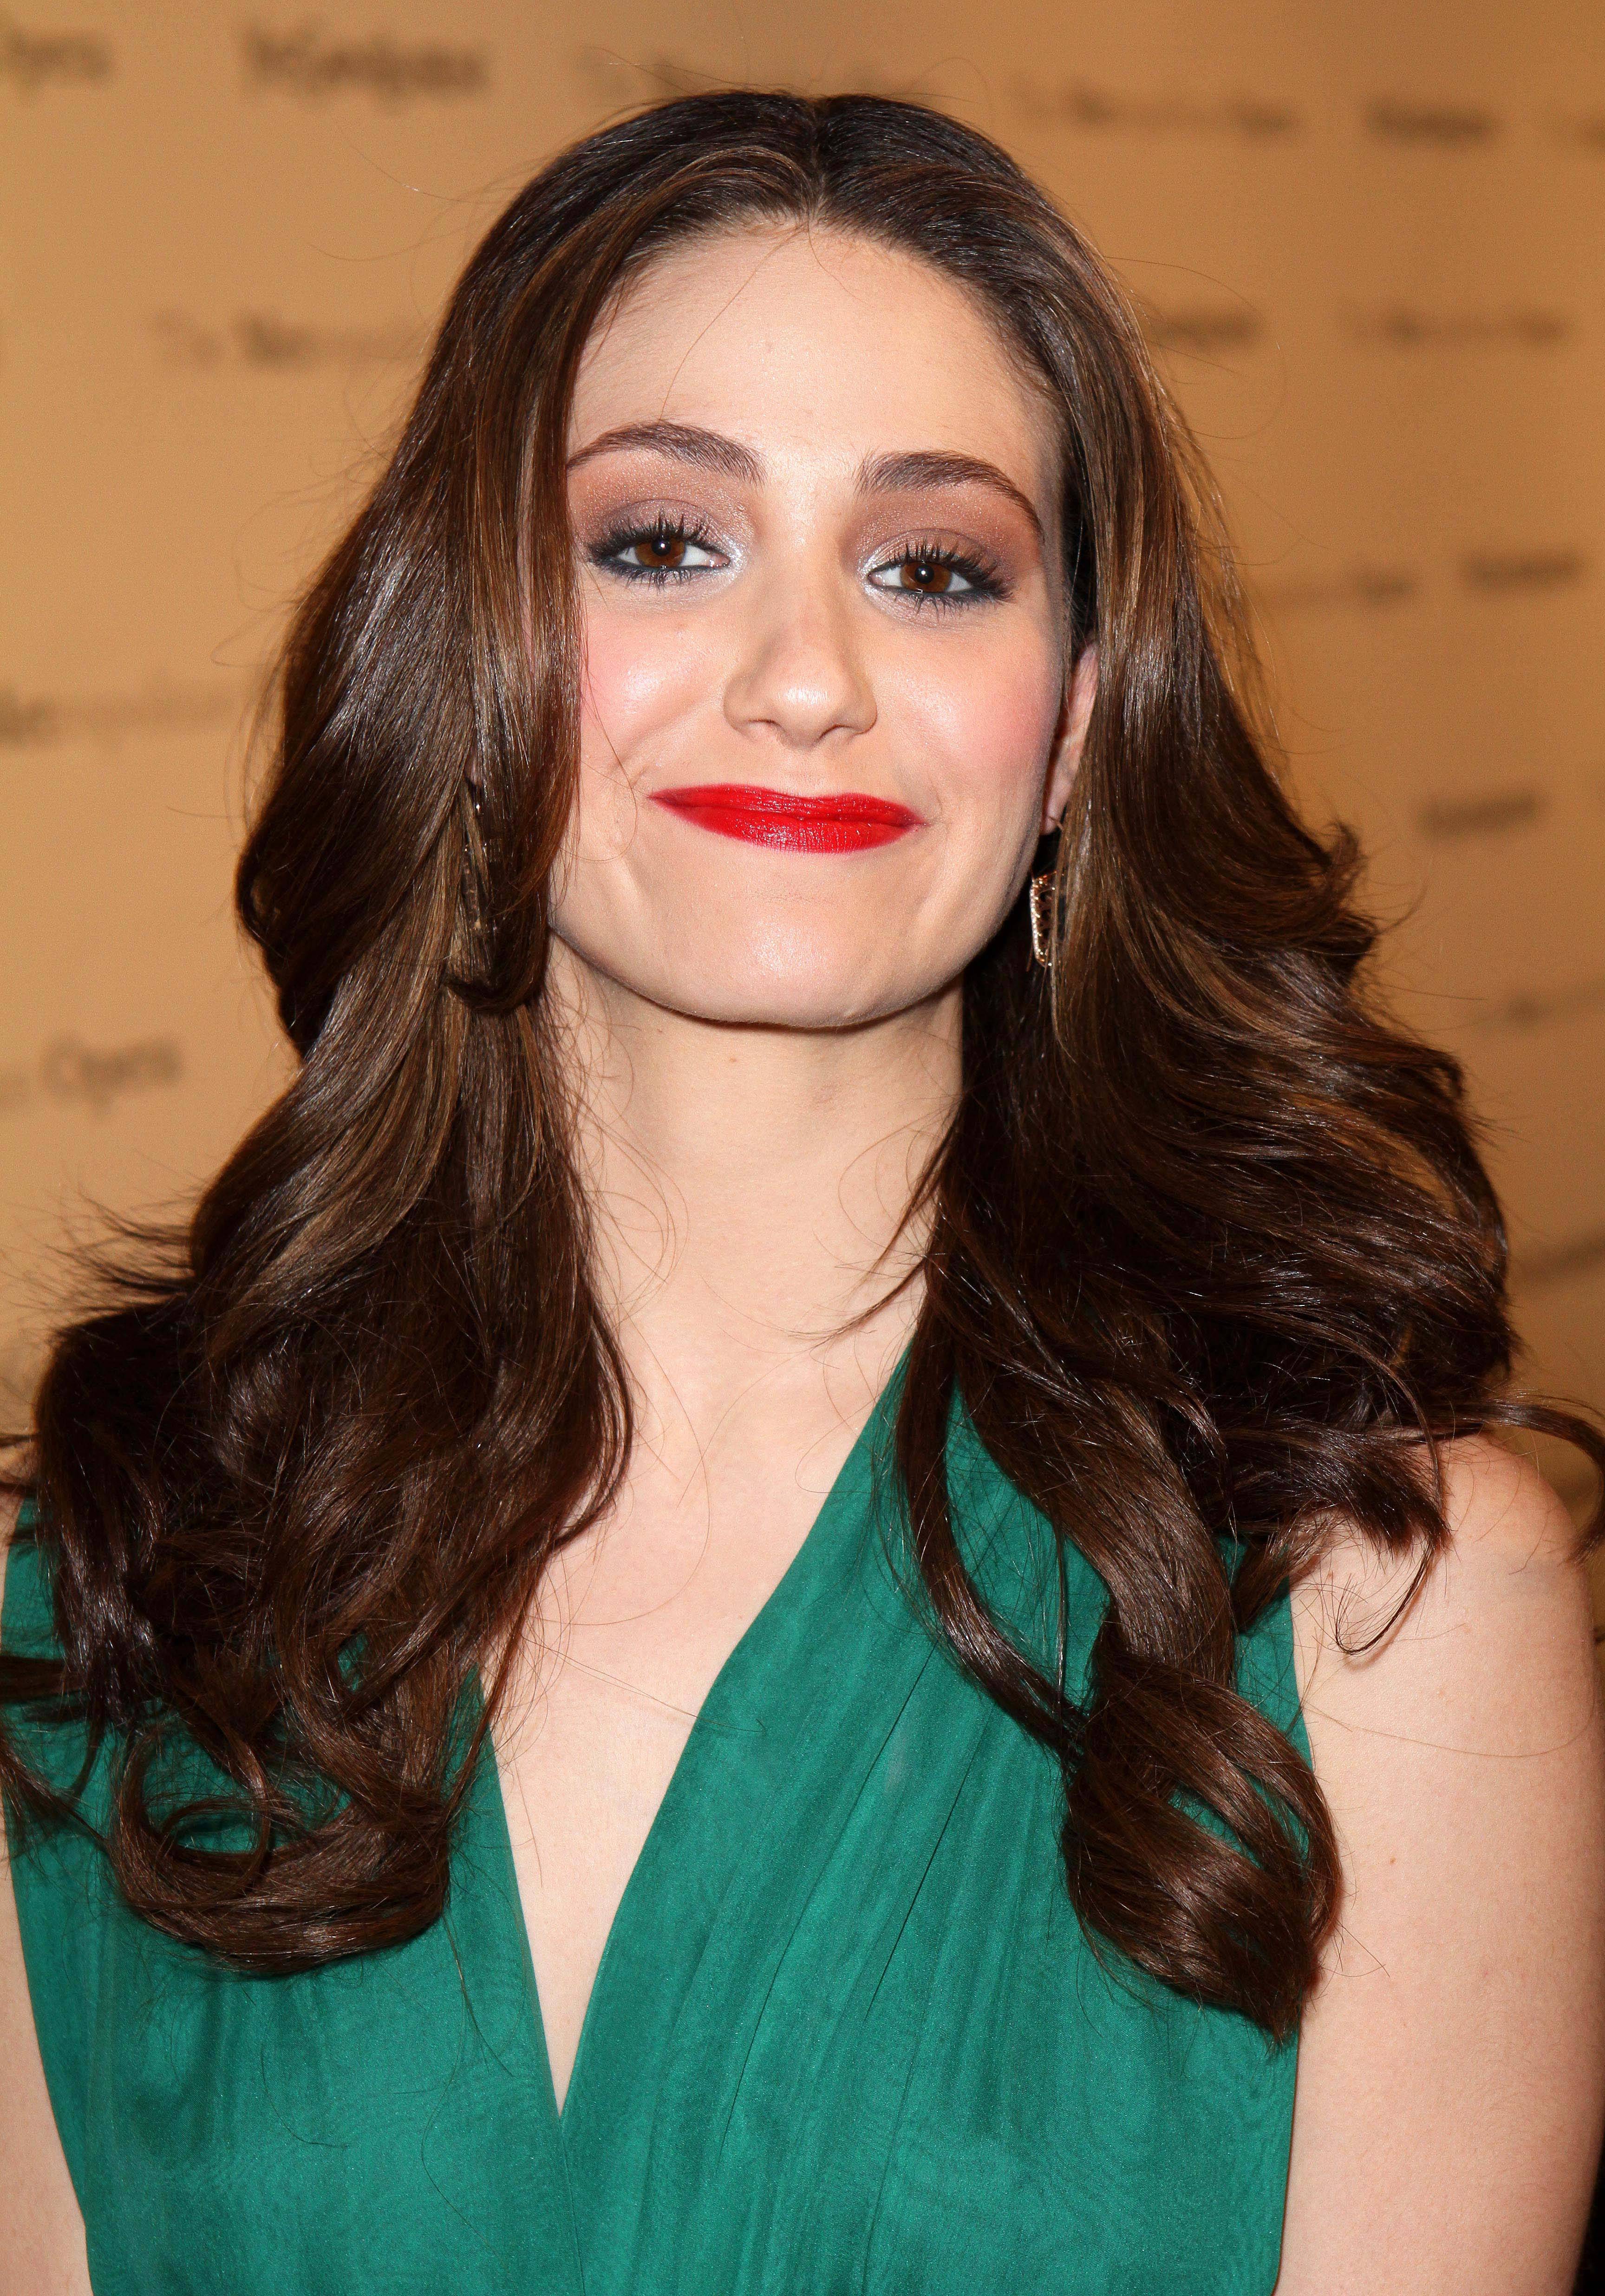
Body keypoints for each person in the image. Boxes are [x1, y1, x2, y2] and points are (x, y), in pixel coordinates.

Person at [2, 90, 1602, 2295]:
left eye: (933, 569)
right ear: (466, 648)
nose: (805, 679)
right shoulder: (118, 1588)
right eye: (664, 542)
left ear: (1073, 731)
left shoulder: (1375, 1614)